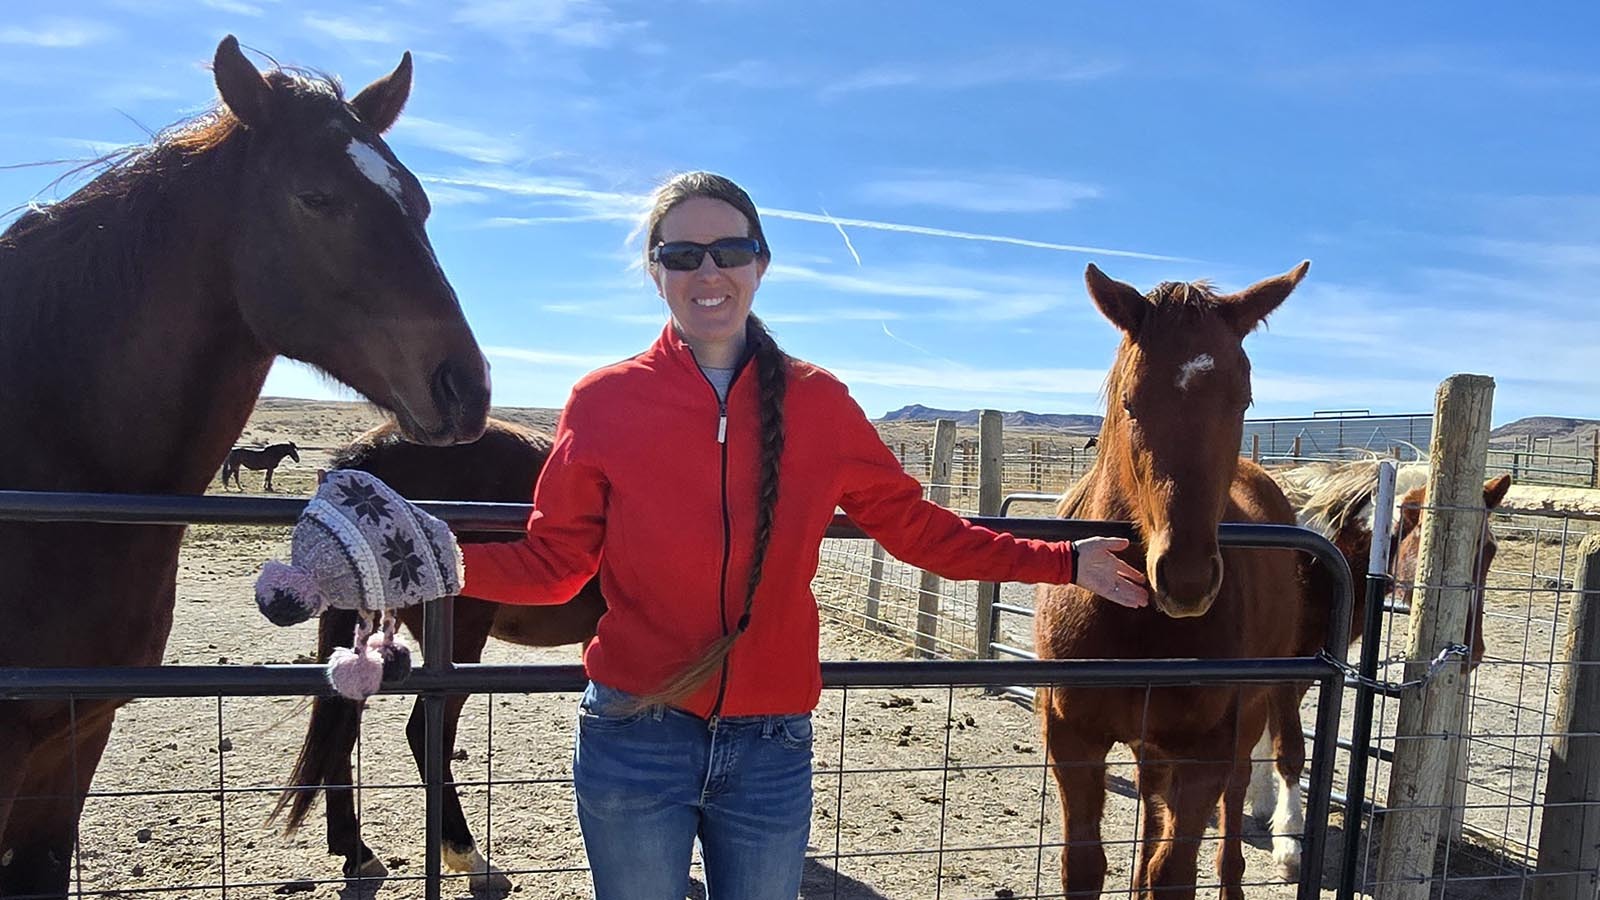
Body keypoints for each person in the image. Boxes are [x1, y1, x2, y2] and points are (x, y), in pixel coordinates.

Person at [454, 171, 1147, 899]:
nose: (709, 271)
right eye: (683, 254)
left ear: (761, 263)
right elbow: (555, 564)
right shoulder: (603, 401)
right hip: (633, 734)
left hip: (769, 744)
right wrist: (433, 563)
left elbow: (919, 533)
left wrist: (1065, 561)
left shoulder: (821, 404)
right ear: (654, 271)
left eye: (730, 249)